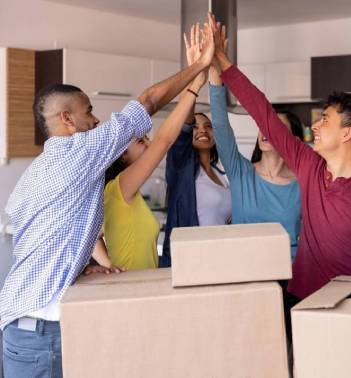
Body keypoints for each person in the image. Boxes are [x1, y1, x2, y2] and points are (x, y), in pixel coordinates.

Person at [0, 21, 215, 377]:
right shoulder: (79, 152)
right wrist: (199, 66)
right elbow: (147, 102)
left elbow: (41, 237)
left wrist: (76, 264)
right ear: (67, 119)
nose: (97, 119)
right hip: (45, 333)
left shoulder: (36, 172)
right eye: (88, 112)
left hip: (26, 327)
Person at [208, 13, 351, 304]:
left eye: (325, 120)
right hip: (303, 301)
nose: (315, 126)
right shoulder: (309, 166)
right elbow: (264, 113)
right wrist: (222, 61)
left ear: (347, 134)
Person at [90, 24, 210, 272]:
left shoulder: (116, 192)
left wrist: (108, 264)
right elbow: (164, 140)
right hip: (129, 290)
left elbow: (89, 236)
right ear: (122, 154)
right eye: (141, 141)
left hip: (136, 286)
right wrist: (196, 83)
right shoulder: (119, 187)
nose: (149, 143)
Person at [209, 48, 302, 262]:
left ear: (293, 139)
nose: (266, 131)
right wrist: (215, 71)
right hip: (244, 270)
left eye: (276, 128)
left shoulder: (301, 184)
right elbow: (221, 128)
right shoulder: (242, 173)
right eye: (263, 126)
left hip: (290, 277)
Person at [160, 24, 231, 268]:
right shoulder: (181, 169)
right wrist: (195, 74)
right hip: (189, 261)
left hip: (220, 259)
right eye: (196, 127)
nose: (202, 130)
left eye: (208, 127)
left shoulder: (223, 175)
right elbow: (182, 129)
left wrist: (216, 65)